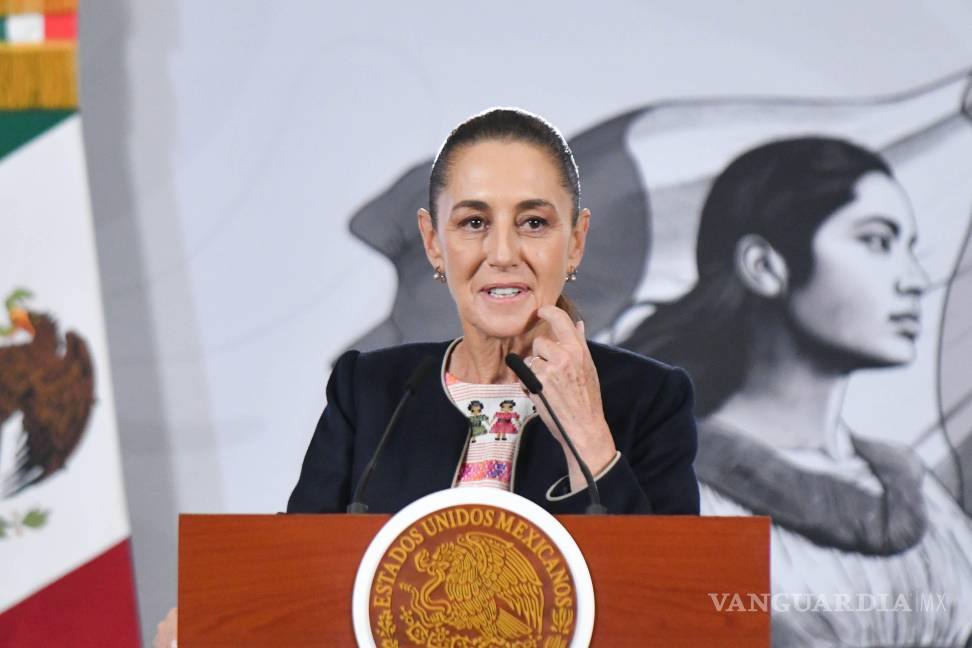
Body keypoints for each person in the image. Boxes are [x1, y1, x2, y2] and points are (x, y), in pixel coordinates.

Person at [154, 108, 699, 646]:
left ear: (575, 242)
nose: (502, 253)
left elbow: (675, 613)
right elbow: (295, 577)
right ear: (434, 242)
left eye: (533, 223)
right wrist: (217, 621)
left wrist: (588, 432)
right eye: (474, 223)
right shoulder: (369, 390)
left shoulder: (650, 398)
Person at [621, 137, 972, 647]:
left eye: (909, 249)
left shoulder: (920, 496)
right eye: (877, 241)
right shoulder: (672, 492)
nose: (916, 280)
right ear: (765, 266)